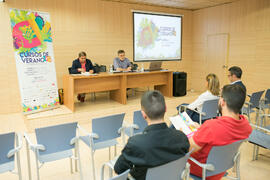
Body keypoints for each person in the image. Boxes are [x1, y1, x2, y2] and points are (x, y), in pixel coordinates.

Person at [114, 90, 190, 180]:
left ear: (143, 114)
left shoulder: (135, 143)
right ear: (166, 109)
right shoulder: (181, 137)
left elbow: (119, 169)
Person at [188, 84, 252, 180]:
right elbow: (222, 134)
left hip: (202, 169)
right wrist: (202, 129)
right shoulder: (246, 125)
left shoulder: (211, 126)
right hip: (221, 167)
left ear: (222, 102)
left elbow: (188, 149)